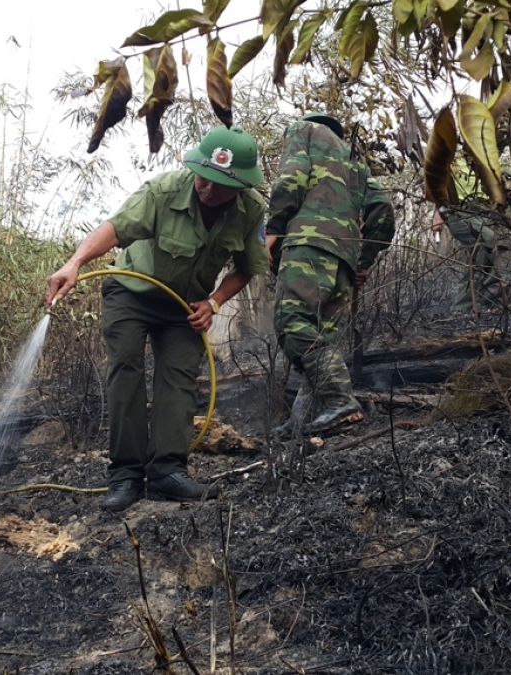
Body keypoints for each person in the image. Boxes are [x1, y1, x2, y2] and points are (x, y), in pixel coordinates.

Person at [45, 126, 270, 512]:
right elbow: (114, 229)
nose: (209, 189)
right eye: (204, 177)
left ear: (242, 187)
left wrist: (214, 303)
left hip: (184, 306)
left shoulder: (250, 213)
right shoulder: (163, 191)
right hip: (129, 293)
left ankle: (167, 472)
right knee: (126, 372)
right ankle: (126, 476)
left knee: (179, 379)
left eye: (221, 184)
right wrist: (75, 262)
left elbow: (248, 267)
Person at [265, 113, 395, 437]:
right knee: (319, 338)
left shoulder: (303, 130)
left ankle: (340, 400)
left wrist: (275, 228)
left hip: (308, 246)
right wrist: (361, 260)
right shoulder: (355, 162)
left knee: (291, 322)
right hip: (343, 262)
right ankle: (303, 421)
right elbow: (384, 211)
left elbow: (290, 178)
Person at [432, 205, 500, 313]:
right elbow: (436, 188)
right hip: (458, 210)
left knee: (479, 255)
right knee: (487, 239)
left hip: (484, 209)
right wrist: (438, 214)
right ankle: (486, 291)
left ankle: (463, 306)